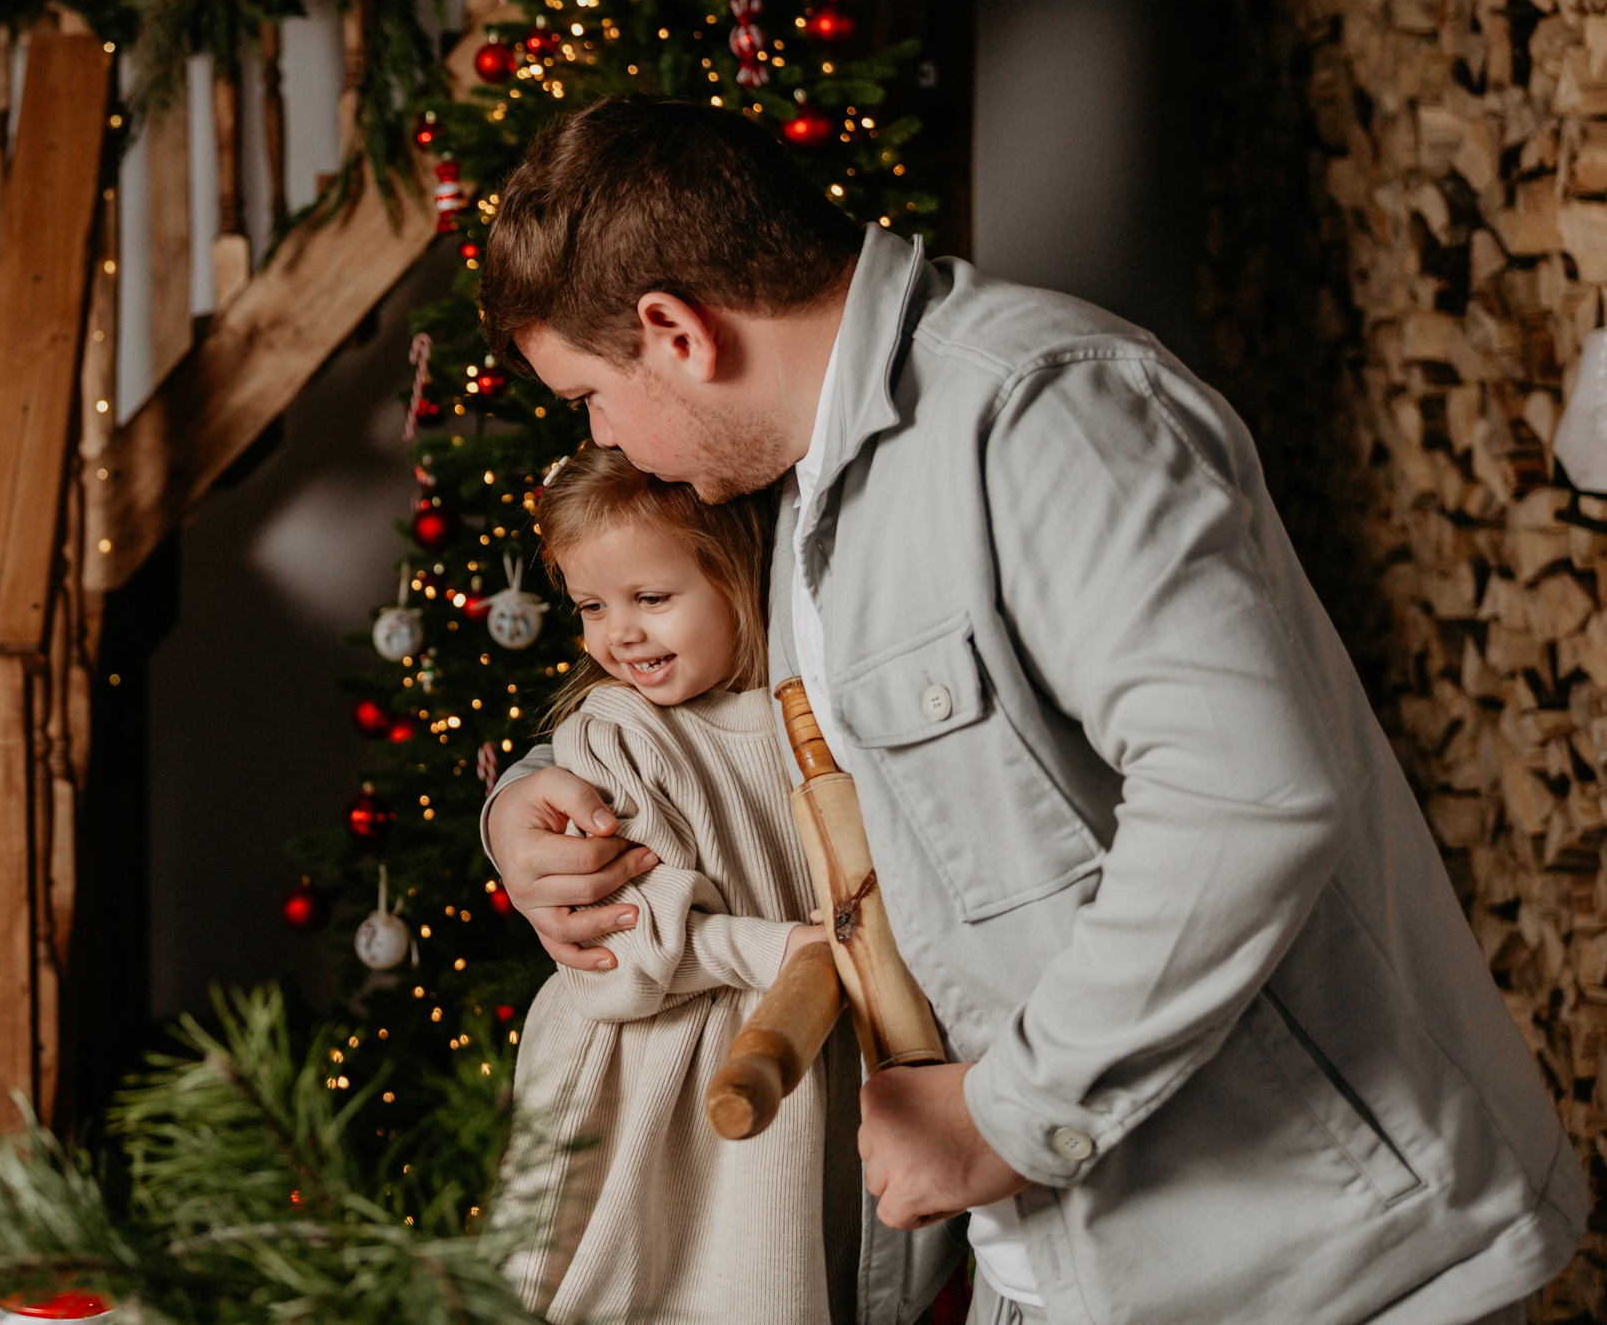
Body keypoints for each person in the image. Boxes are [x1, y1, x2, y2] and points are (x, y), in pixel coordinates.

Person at [477, 96, 1582, 1325]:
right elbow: (772, 734)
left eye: (588, 397)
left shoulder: (1041, 410)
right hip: (1060, 1268)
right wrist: (529, 801)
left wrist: (1010, 1117)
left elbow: (1246, 799)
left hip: (1316, 1273)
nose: (602, 437)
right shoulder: (808, 493)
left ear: (674, 331)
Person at [495, 446, 837, 1323]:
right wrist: (784, 948)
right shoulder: (614, 731)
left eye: (652, 598)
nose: (620, 633)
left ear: (735, 574)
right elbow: (630, 940)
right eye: (592, 606)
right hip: (649, 1060)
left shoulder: (802, 714)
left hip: (781, 1031)